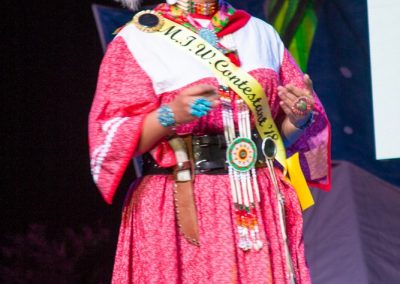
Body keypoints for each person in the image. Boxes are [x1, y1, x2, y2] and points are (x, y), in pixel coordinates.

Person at [89, 0, 331, 283]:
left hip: (258, 196)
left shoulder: (259, 32)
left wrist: (298, 117)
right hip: (182, 199)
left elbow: (274, 135)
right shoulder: (140, 37)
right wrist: (171, 114)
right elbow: (112, 136)